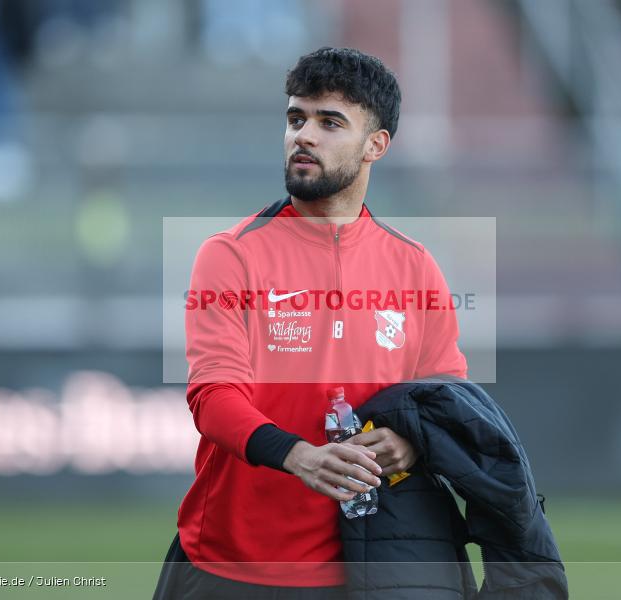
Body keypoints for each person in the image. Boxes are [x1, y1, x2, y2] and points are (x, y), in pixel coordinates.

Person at [154, 47, 468, 600]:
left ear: (377, 145)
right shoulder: (230, 255)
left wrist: (408, 445)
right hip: (231, 565)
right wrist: (301, 457)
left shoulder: (415, 265)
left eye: (330, 123)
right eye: (296, 119)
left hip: (366, 570)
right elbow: (213, 396)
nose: (305, 135)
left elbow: (446, 398)